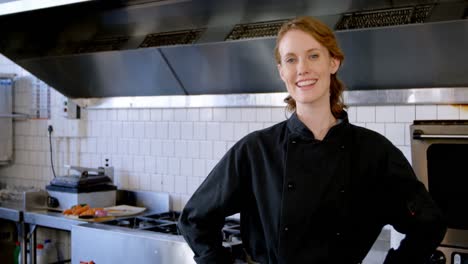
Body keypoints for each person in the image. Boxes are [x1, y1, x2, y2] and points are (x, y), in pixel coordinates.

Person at [178, 16, 446, 264]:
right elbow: (194, 219)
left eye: (313, 56)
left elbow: (428, 224)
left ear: (333, 62)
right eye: (291, 60)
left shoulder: (373, 152)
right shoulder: (256, 151)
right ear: (282, 71)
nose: (302, 69)